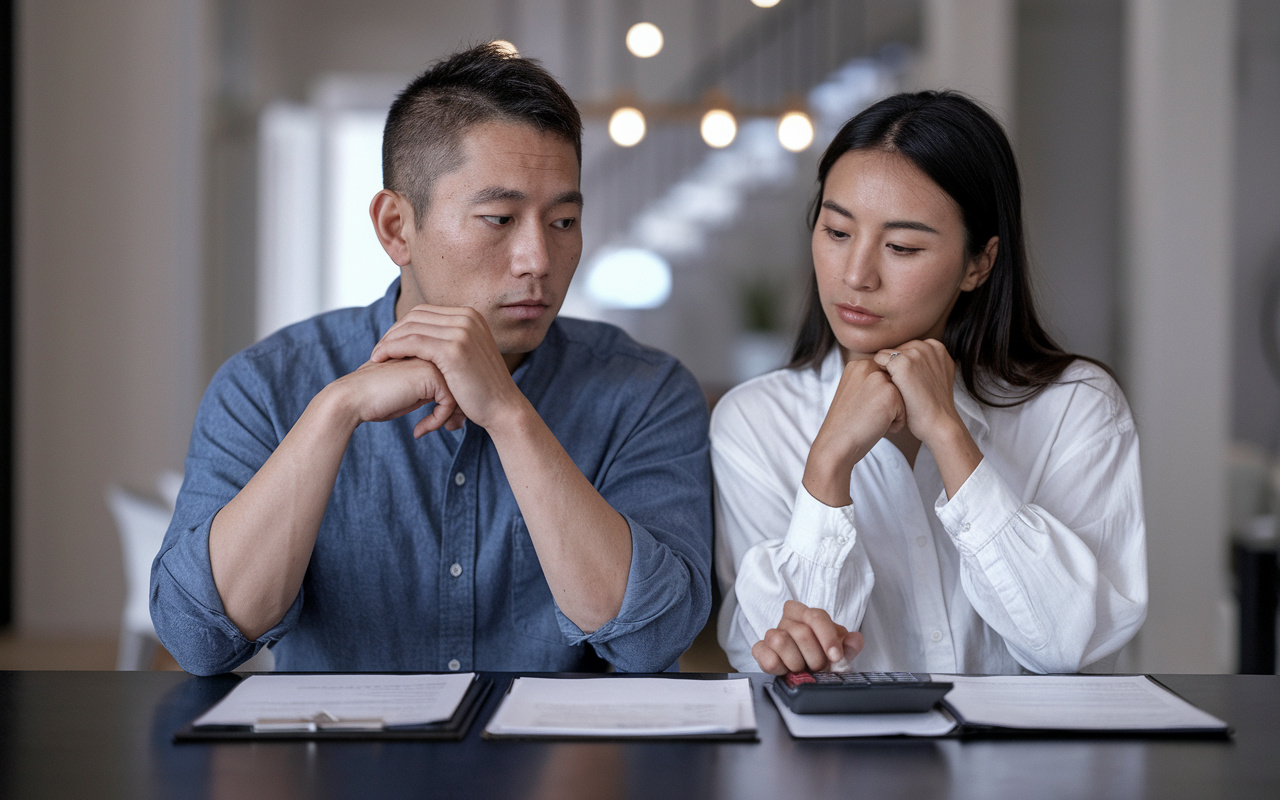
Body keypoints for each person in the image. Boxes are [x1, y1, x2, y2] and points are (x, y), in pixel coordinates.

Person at [151, 44, 712, 676]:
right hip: (341, 771)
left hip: (558, 770)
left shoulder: (645, 391)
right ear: (396, 227)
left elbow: (653, 639)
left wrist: (507, 413)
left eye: (563, 221)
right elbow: (199, 639)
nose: (538, 260)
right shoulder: (266, 385)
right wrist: (335, 412)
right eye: (498, 218)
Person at [713, 91, 1147, 675]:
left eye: (901, 247)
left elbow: (1066, 645)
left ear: (979, 263)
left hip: (1028, 766)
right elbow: (786, 664)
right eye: (837, 232)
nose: (857, 275)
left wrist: (948, 435)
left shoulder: (1076, 406)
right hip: (844, 764)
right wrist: (828, 466)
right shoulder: (755, 420)